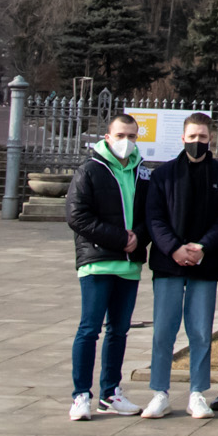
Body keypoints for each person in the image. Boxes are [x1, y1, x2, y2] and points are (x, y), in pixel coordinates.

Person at [142, 112, 218, 420]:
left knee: (200, 331)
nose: (198, 142)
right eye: (192, 137)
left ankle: (198, 392)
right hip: (169, 264)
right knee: (163, 332)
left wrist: (202, 247)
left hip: (205, 265)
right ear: (182, 138)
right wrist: (174, 248)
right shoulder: (163, 175)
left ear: (212, 138)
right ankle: (160, 392)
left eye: (203, 137)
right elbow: (154, 218)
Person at [66, 113, 149, 420]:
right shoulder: (90, 170)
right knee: (89, 329)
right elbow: (78, 216)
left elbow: (150, 213)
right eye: (120, 135)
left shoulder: (143, 172)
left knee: (119, 330)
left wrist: (138, 238)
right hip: (97, 263)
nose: (126, 142)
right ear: (107, 137)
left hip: (128, 265)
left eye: (132, 136)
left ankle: (110, 392)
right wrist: (118, 238)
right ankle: (80, 396)